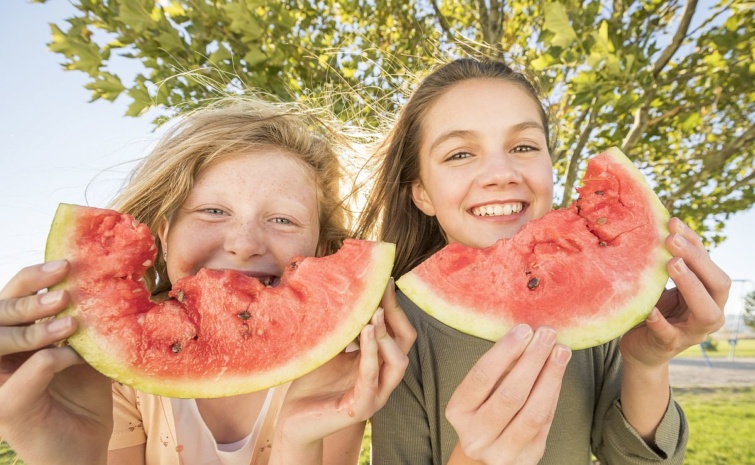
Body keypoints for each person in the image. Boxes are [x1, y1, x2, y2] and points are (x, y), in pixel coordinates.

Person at [0, 96, 415, 465]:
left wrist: (297, 436)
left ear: (322, 248)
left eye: (283, 219)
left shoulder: (335, 367)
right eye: (212, 211)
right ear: (163, 235)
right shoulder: (105, 375)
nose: (243, 244)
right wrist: (71, 460)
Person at [355, 58, 730, 465]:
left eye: (524, 147)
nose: (501, 173)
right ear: (422, 193)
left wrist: (647, 362)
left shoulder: (601, 299)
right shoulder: (399, 336)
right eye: (460, 154)